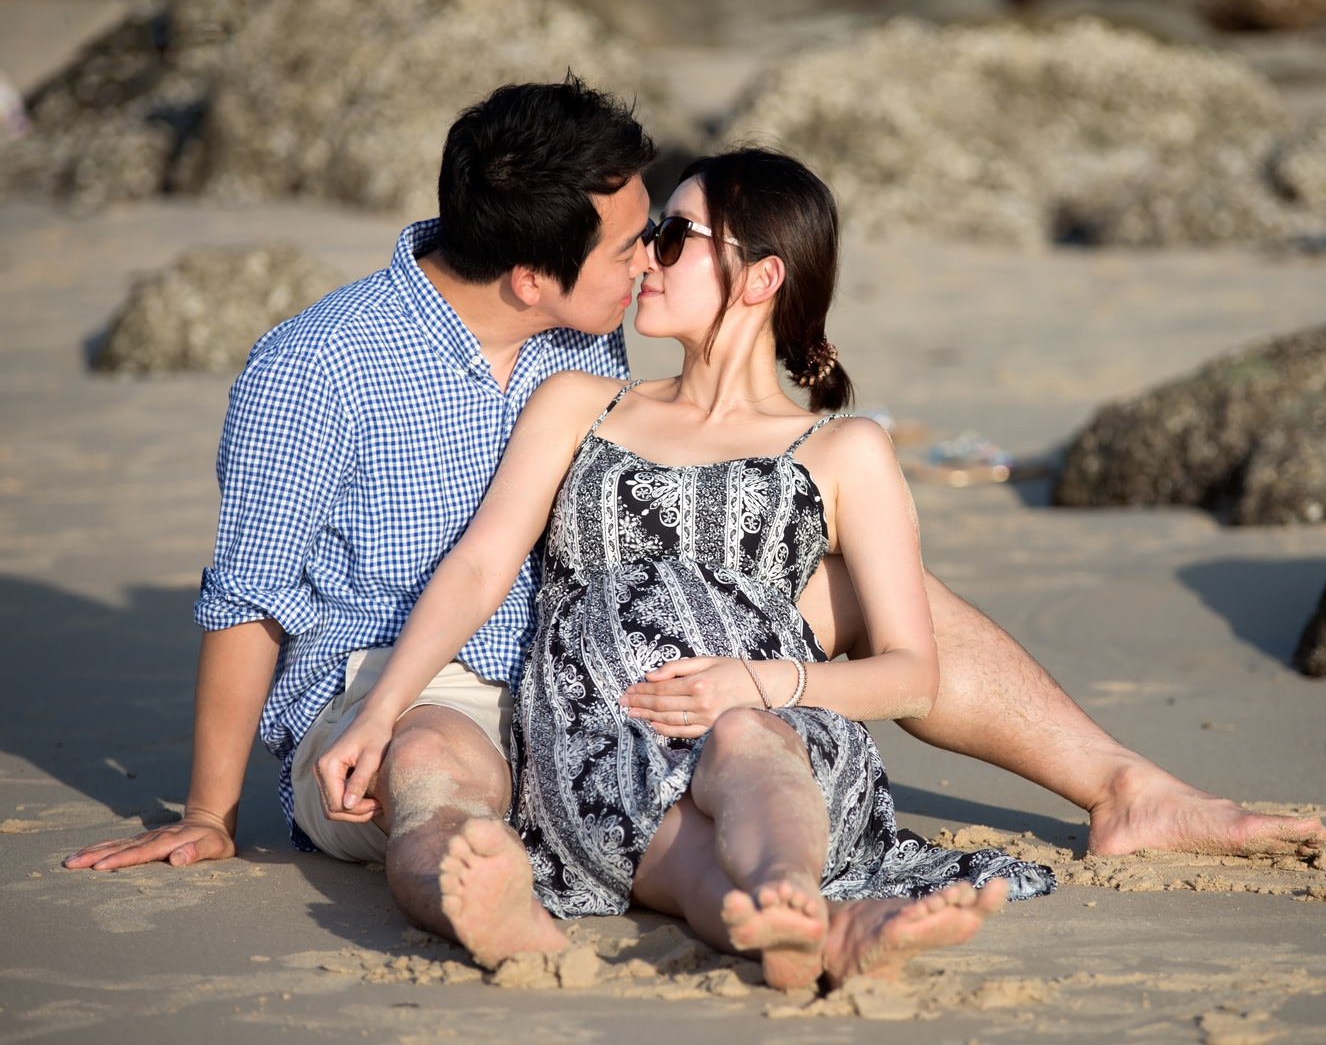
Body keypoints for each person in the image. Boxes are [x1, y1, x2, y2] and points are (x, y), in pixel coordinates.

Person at [63, 79, 1326, 954]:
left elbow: (735, 411)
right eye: (632, 245)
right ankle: (483, 895)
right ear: (529, 274)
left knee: (839, 577)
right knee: (441, 767)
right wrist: (211, 809)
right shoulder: (318, 370)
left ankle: (1123, 784)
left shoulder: (593, 330)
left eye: (663, 235)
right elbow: (249, 598)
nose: (647, 266)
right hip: (409, 677)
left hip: (614, 639)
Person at [322, 149, 1057, 983]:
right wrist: (380, 711)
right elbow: (482, 565)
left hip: (779, 729)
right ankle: (811, 931)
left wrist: (758, 684)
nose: (644, 257)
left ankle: (788, 894)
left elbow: (912, 675)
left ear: (760, 275)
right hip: (593, 737)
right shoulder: (579, 400)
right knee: (683, 860)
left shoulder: (844, 448)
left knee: (746, 741)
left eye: (673, 235)